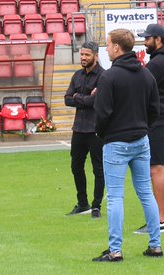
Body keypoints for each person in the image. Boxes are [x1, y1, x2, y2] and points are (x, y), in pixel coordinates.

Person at [92, 29, 164, 262]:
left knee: (115, 197)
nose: (105, 49)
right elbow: (155, 110)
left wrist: (104, 134)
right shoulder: (146, 75)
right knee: (145, 193)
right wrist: (142, 127)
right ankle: (155, 245)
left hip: (116, 142)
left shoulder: (109, 77)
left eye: (107, 45)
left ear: (116, 48)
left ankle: (115, 250)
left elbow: (102, 114)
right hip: (141, 141)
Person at [134, 23, 164, 234]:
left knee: (156, 168)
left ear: (158, 40)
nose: (144, 43)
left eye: (147, 39)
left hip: (158, 117)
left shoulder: (158, 63)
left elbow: (139, 84)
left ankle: (158, 220)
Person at [64, 41, 104, 219]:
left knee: (98, 169)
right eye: (82, 55)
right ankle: (82, 203)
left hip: (95, 130)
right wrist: (86, 98)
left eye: (87, 55)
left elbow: (96, 101)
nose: (83, 58)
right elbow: (67, 99)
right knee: (76, 166)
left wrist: (78, 98)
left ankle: (96, 206)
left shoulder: (103, 76)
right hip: (79, 129)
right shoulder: (77, 75)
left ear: (95, 56)